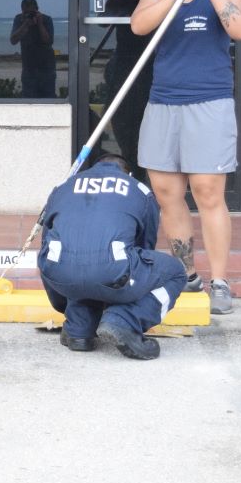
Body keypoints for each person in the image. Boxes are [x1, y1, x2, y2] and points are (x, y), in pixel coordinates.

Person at [129, 0, 241, 316]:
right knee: (167, 193)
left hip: (209, 104)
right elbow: (139, 25)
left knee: (208, 192)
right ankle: (186, 274)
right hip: (163, 102)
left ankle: (219, 281)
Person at [35, 151, 188, 360]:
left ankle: (78, 328)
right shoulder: (139, 190)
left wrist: (65, 303)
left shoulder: (63, 187)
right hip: (112, 273)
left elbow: (47, 243)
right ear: (129, 173)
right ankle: (125, 320)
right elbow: (144, 246)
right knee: (175, 272)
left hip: (60, 277)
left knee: (75, 257)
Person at [102, 0, 153, 178]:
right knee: (121, 117)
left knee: (145, 120)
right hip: (123, 63)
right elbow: (103, 22)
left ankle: (144, 168)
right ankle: (129, 161)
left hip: (150, 64)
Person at [11, 0, 57, 98]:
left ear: (37, 10)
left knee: (48, 99)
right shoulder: (19, 19)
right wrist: (25, 25)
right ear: (22, 11)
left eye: (32, 13)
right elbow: (13, 40)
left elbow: (49, 41)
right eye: (26, 13)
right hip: (29, 68)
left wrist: (40, 24)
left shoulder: (46, 20)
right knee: (29, 100)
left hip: (47, 68)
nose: (29, 15)